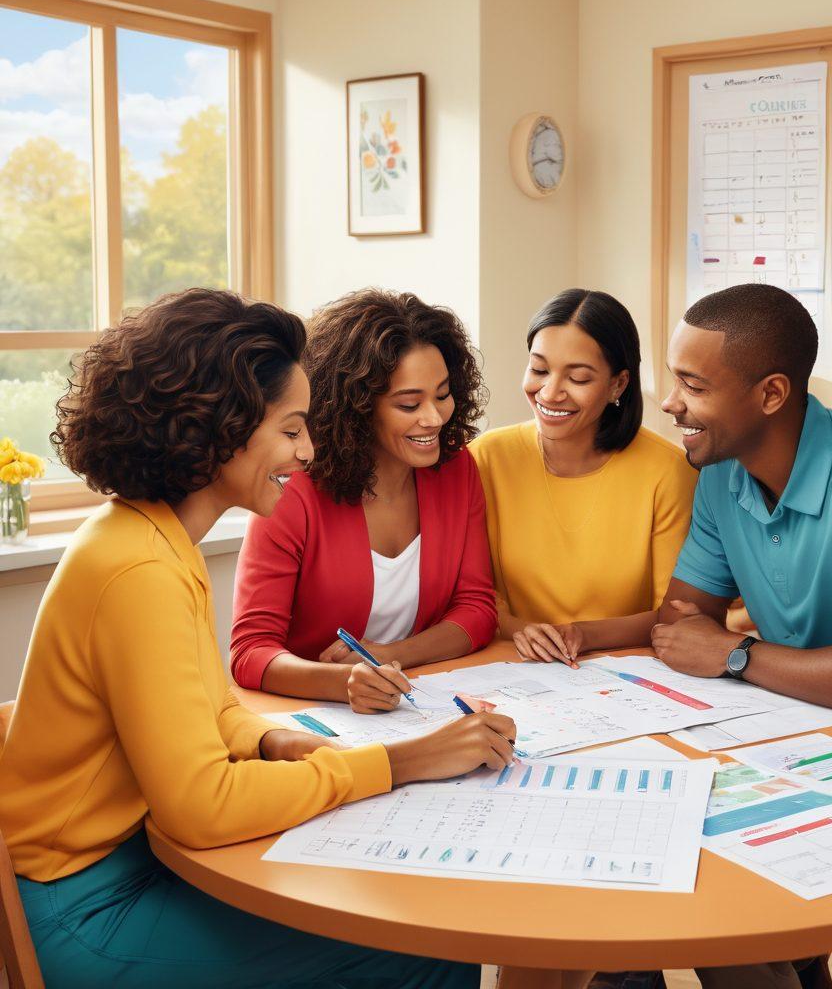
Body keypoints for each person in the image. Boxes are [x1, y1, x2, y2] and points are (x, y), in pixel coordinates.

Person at [0, 288, 515, 989]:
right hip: (87, 902)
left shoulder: (151, 537)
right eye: (292, 429)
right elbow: (202, 806)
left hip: (128, 862)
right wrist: (396, 764)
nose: (307, 451)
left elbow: (207, 705)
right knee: (421, 943)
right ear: (222, 428)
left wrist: (272, 740)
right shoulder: (140, 570)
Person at [579, 283, 832, 988]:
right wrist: (710, 647)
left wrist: (738, 654)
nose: (670, 403)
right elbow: (684, 628)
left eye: (691, 384)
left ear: (771, 394)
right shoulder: (722, 475)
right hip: (806, 748)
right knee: (721, 916)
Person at [231, 289, 496, 709]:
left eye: (442, 395)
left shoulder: (456, 469)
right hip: (310, 718)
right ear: (357, 406)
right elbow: (250, 651)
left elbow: (477, 609)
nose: (433, 418)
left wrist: (391, 655)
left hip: (417, 702)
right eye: (409, 403)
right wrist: (342, 682)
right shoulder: (293, 489)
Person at [469, 288, 695, 666]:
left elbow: (672, 612)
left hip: (627, 669)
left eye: (577, 378)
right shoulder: (486, 458)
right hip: (511, 664)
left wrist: (582, 634)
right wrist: (522, 630)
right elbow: (476, 595)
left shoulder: (666, 470)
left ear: (618, 385)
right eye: (539, 370)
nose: (550, 392)